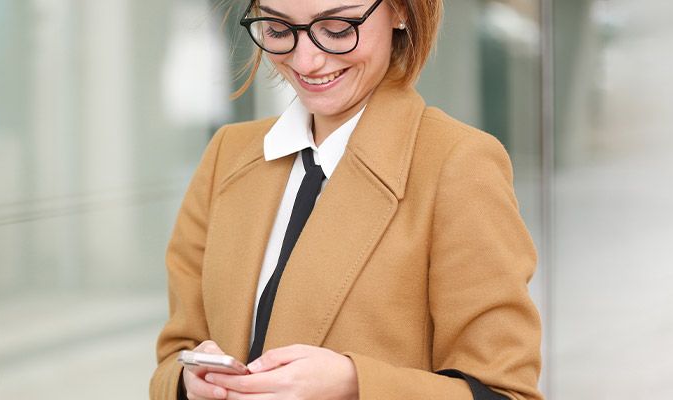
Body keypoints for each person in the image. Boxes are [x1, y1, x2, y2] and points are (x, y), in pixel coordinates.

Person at [151, 0, 543, 399]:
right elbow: (175, 353)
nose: (307, 61)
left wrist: (356, 385)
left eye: (338, 28)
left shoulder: (457, 164)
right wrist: (187, 384)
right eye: (278, 30)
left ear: (401, 11)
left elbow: (505, 392)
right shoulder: (227, 155)